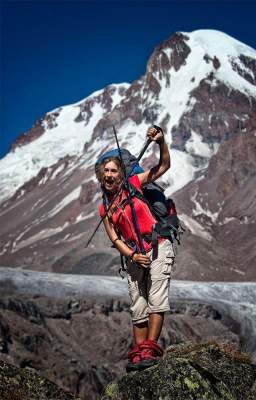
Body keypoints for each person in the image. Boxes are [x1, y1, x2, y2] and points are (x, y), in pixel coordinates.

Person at [97, 126, 175, 372]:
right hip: (133, 255)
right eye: (106, 171)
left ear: (121, 174)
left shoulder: (133, 183)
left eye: (113, 171)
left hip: (157, 245)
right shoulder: (104, 207)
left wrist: (161, 142)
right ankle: (139, 355)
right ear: (101, 175)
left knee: (155, 299)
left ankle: (150, 348)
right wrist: (132, 255)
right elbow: (114, 238)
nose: (109, 175)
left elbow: (163, 167)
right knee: (138, 305)